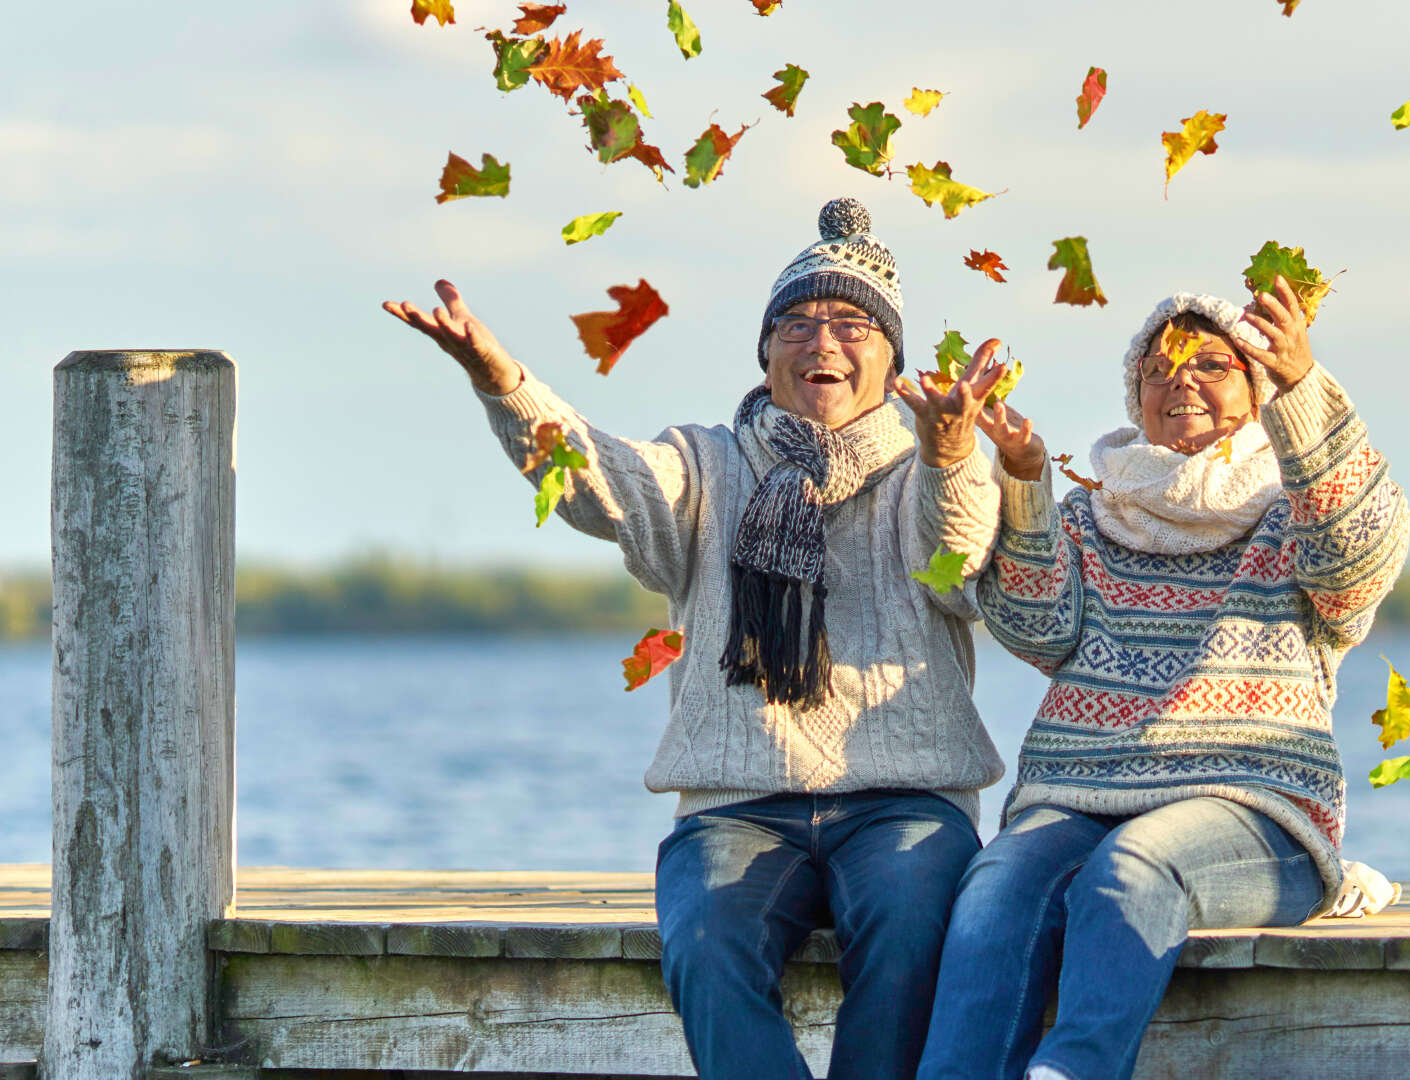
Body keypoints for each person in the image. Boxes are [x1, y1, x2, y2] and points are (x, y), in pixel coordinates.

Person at [384, 198, 1011, 1080]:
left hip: (906, 803)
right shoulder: (707, 464)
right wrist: (501, 379)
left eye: (849, 323)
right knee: (707, 946)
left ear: (892, 359)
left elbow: (959, 558)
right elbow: (597, 479)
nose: (820, 341)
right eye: (795, 322)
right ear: (764, 352)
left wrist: (949, 455)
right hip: (738, 805)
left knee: (915, 939)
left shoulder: (932, 464)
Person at [916, 281, 1410, 1080]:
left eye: (1212, 362)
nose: (1181, 378)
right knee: (993, 889)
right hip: (1081, 796)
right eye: (1161, 367)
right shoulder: (1091, 513)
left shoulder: (1299, 511)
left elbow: (1356, 559)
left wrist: (1304, 388)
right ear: (1136, 395)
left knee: (1137, 864)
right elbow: (1037, 631)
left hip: (1256, 807)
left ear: (1257, 390)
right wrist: (1025, 480)